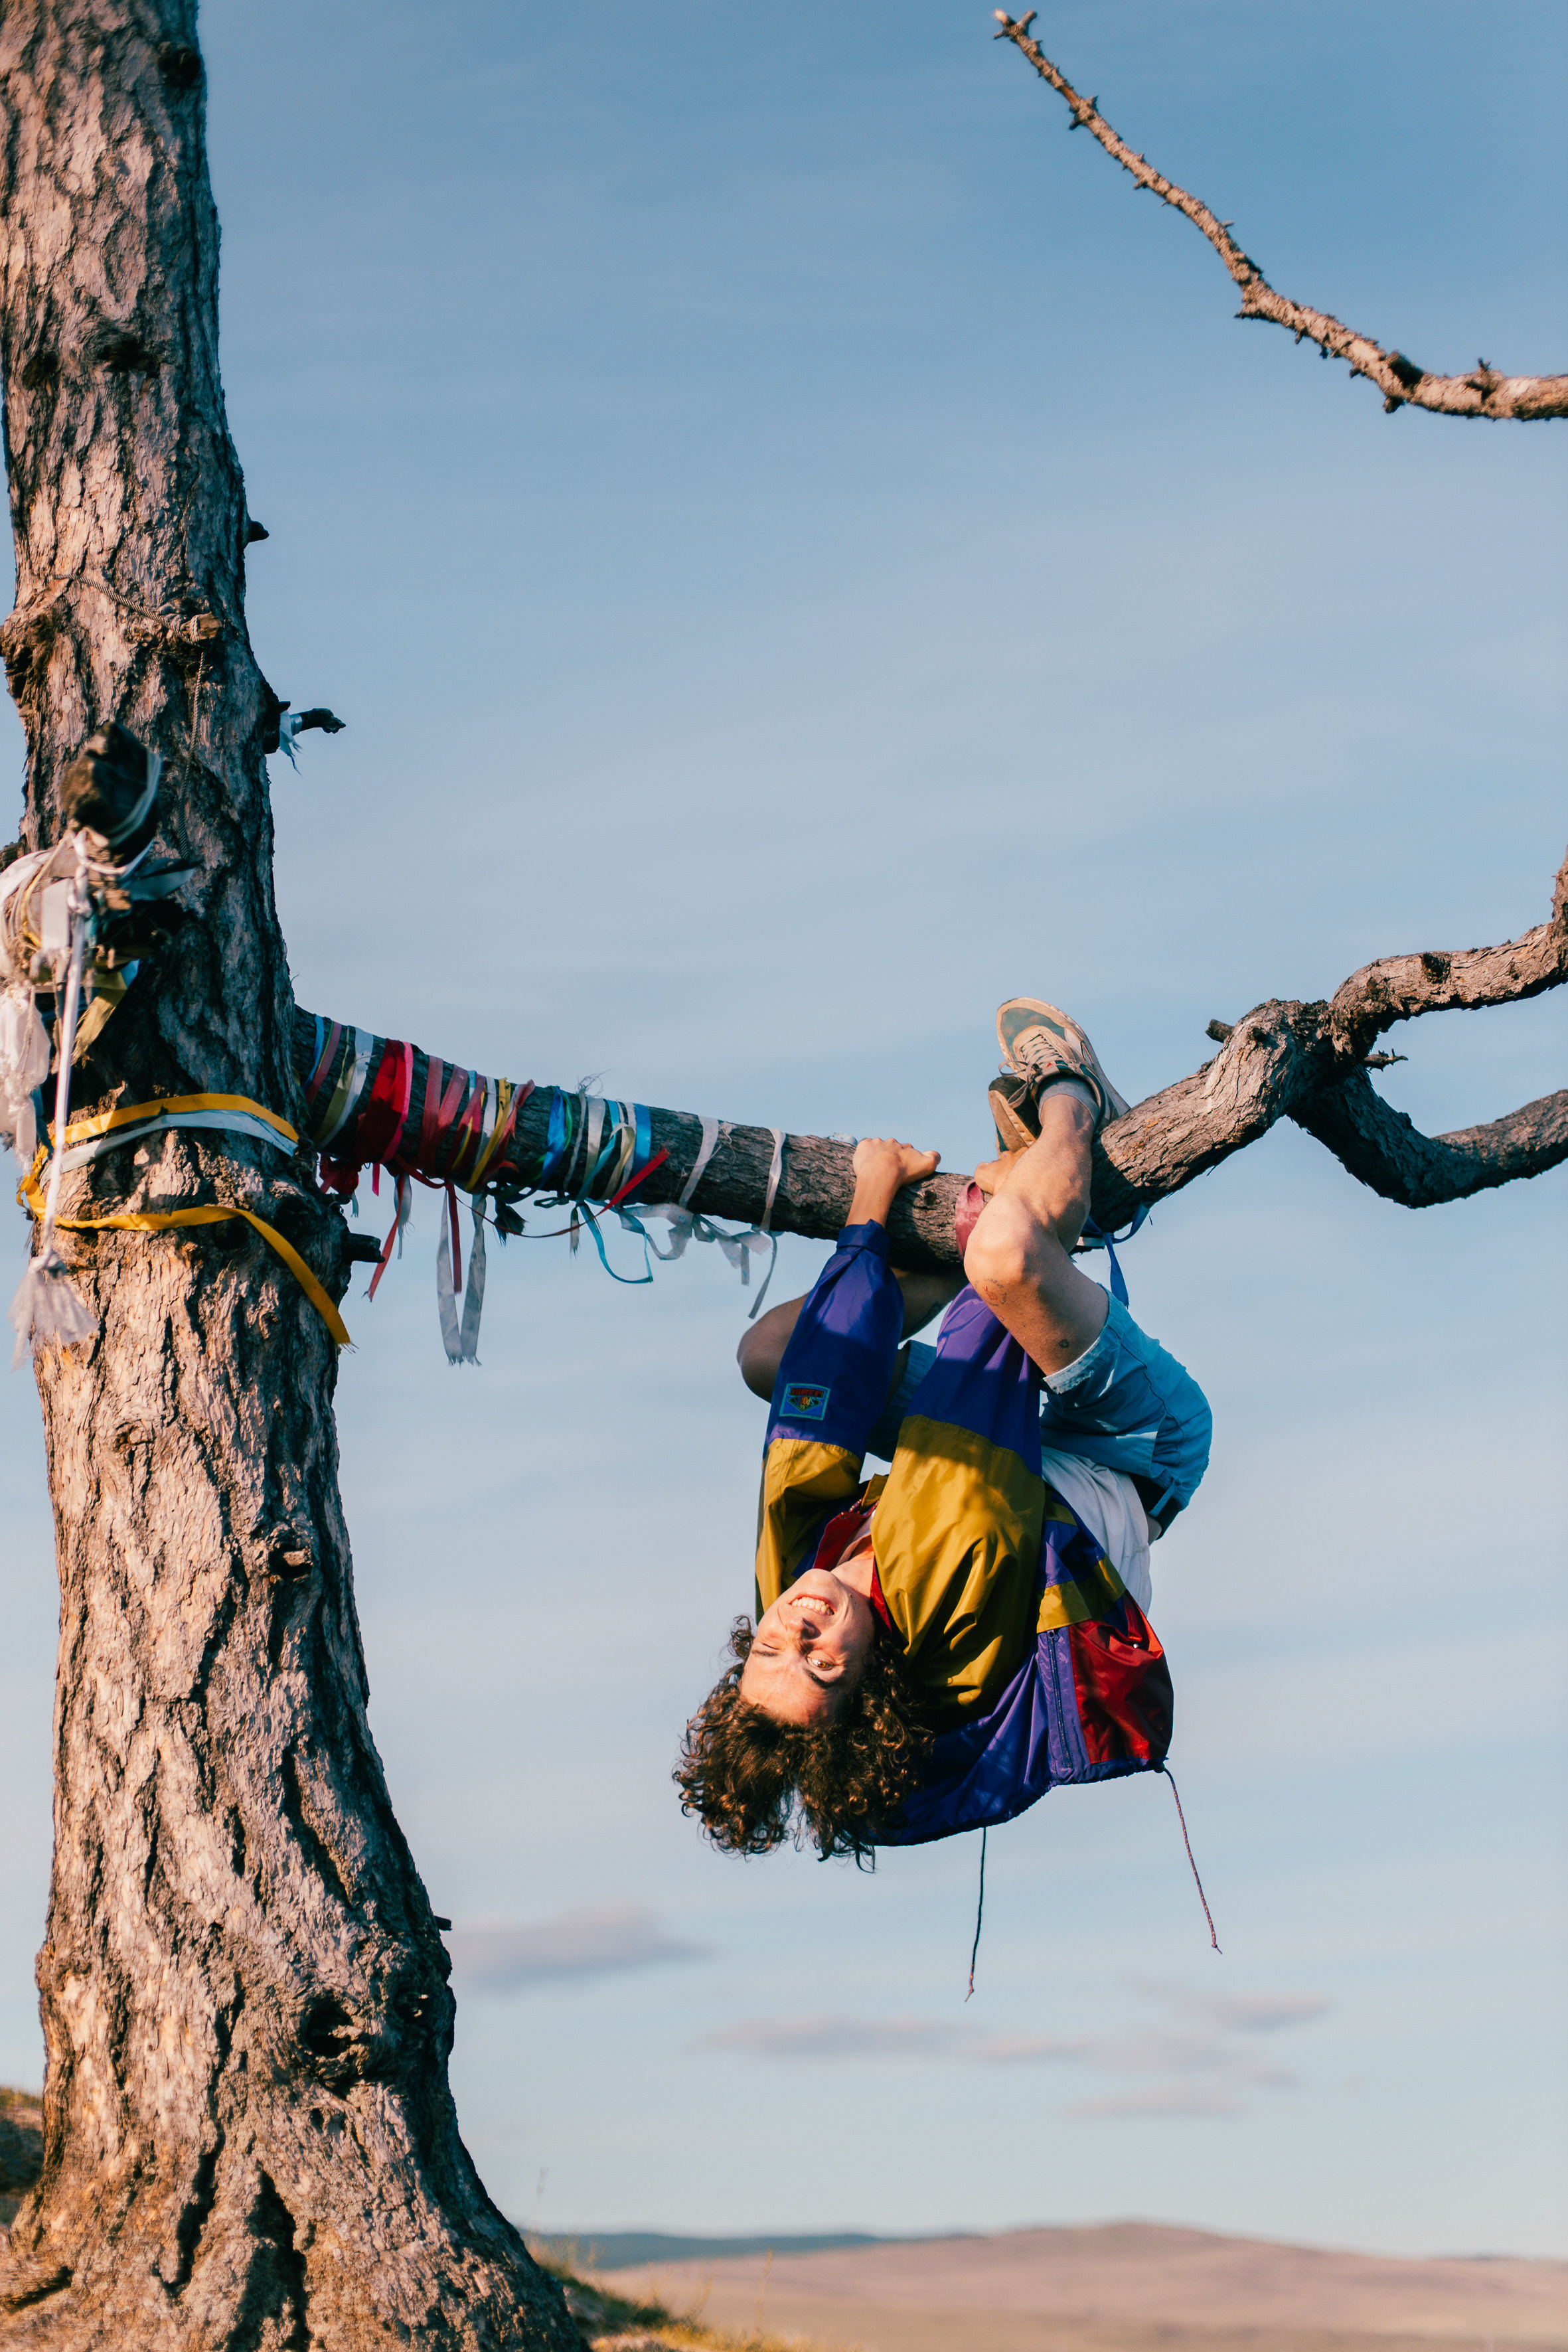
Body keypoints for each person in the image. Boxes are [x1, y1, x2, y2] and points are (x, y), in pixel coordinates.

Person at [674, 1000, 1212, 1861]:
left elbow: (817, 1395)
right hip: (1130, 1450)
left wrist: (868, 1216)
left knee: (769, 1353)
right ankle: (1075, 1103)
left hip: (1016, 1462)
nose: (798, 1630)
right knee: (1004, 1257)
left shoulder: (793, 1587)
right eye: (821, 1665)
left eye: (770, 1649)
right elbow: (979, 1357)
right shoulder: (948, 1582)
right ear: (871, 1681)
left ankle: (1030, 1201)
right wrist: (989, 1217)